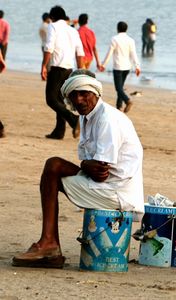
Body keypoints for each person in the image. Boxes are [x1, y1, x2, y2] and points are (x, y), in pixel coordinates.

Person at [12, 69, 144, 269]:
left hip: (117, 193)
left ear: (96, 93)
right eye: (73, 95)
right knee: (53, 165)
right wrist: (86, 165)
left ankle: (49, 244)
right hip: (107, 184)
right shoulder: (87, 115)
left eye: (84, 93)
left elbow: (100, 173)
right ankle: (50, 243)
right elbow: (90, 164)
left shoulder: (107, 119)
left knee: (52, 168)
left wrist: (85, 165)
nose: (79, 99)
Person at [41, 6, 85, 140]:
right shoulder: (72, 30)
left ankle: (74, 119)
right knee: (59, 100)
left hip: (57, 67)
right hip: (69, 69)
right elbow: (80, 51)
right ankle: (59, 132)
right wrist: (81, 70)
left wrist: (43, 65)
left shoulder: (52, 26)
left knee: (51, 100)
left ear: (52, 17)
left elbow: (49, 47)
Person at [101, 21, 140, 112]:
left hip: (118, 67)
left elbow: (109, 53)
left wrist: (103, 64)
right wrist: (137, 66)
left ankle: (127, 100)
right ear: (126, 29)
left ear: (117, 29)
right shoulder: (131, 40)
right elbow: (133, 54)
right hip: (127, 67)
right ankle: (119, 106)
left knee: (118, 88)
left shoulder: (114, 39)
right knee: (120, 88)